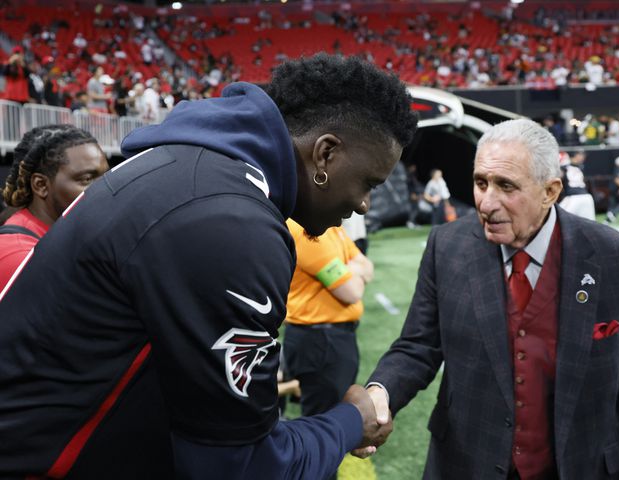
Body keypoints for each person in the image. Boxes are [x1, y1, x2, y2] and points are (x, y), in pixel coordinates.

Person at [0, 54, 417, 479]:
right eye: (368, 183)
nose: (364, 204)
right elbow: (240, 467)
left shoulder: (193, 170)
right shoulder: (230, 221)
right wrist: (350, 420)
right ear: (325, 153)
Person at [361, 119, 619, 479]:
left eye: (506, 186)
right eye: (480, 182)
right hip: (467, 462)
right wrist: (381, 392)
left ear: (550, 191)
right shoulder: (448, 246)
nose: (487, 202)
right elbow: (418, 345)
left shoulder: (618, 258)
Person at [283, 219, 374, 480]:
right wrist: (354, 269)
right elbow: (352, 290)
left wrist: (353, 268)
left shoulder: (331, 227)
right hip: (320, 340)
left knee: (328, 428)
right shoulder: (307, 231)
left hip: (331, 338)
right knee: (322, 433)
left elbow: (366, 264)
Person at [0, 124, 108, 291]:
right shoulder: (20, 258)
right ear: (41, 185)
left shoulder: (63, 236)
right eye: (87, 179)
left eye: (107, 176)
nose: (106, 188)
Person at [558, 149, 595, 220]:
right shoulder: (577, 166)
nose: (583, 158)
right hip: (586, 197)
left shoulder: (566, 166)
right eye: (581, 155)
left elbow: (559, 176)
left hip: (573, 197)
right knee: (589, 224)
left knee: (558, 219)